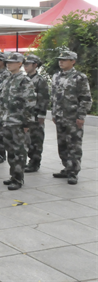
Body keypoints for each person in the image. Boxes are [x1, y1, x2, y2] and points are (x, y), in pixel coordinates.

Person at [51, 50, 93, 185]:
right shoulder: (56, 76)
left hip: (73, 118)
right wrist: (54, 113)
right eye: (60, 59)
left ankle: (73, 172)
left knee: (74, 146)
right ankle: (66, 167)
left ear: (73, 61)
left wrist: (81, 116)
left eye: (64, 60)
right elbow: (54, 97)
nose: (61, 62)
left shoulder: (79, 77)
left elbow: (86, 98)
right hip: (59, 117)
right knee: (62, 145)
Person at [0, 53, 36, 191]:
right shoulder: (7, 80)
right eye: (7, 62)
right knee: (10, 151)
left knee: (19, 151)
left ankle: (18, 178)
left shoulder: (24, 81)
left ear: (20, 64)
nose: (9, 64)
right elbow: (1, 101)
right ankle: (13, 175)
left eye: (12, 62)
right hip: (7, 121)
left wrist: (26, 123)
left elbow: (30, 103)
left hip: (18, 122)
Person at [24, 55, 51, 173]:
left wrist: (41, 115)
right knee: (27, 140)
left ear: (35, 65)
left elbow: (44, 98)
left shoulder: (40, 80)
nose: (25, 66)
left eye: (28, 64)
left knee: (36, 140)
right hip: (26, 115)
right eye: (24, 64)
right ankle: (30, 160)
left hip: (35, 115)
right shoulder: (24, 79)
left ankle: (35, 162)